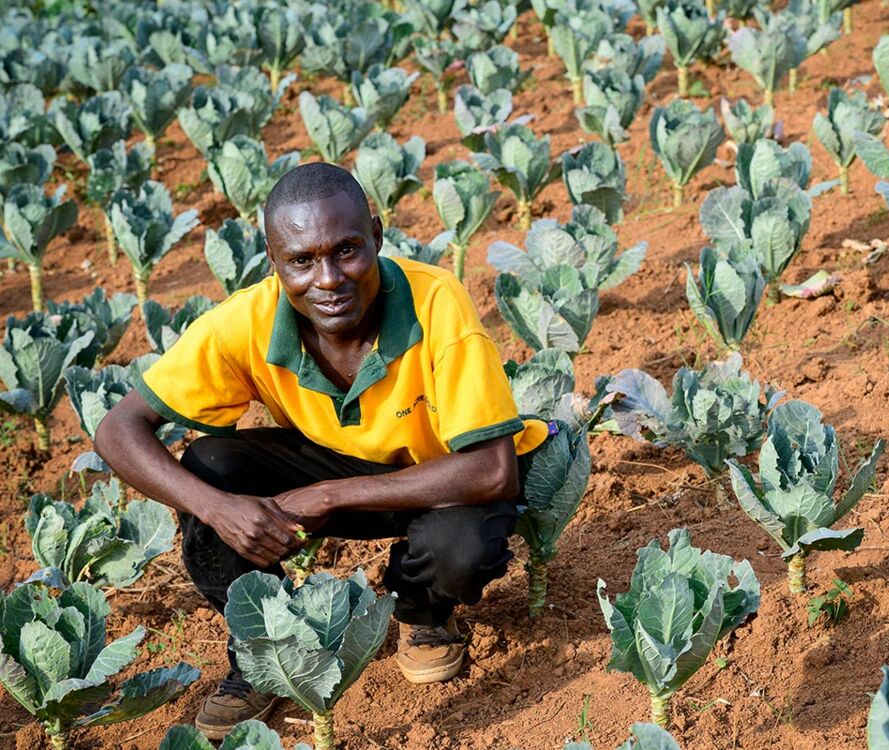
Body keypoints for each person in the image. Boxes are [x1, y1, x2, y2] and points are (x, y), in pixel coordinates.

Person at [94, 163, 549, 740]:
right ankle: (261, 650)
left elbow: (492, 471)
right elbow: (118, 430)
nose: (328, 278)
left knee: (460, 548)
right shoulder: (247, 320)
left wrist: (327, 494)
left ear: (378, 237)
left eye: (347, 250)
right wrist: (217, 508)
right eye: (302, 260)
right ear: (273, 260)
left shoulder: (436, 303)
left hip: (442, 482)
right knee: (210, 469)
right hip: (336, 465)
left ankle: (421, 612)